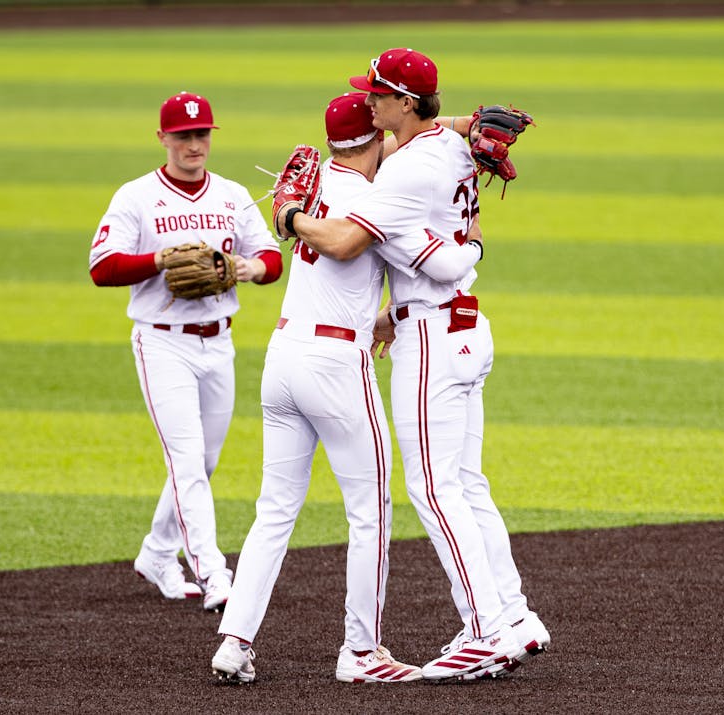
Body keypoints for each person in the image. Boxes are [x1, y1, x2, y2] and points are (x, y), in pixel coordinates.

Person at [273, 50, 550, 680]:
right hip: (463, 327)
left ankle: (483, 631)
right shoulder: (449, 149)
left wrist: (290, 216)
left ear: (402, 101)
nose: (369, 101)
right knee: (468, 485)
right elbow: (443, 140)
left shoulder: (403, 174)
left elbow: (343, 242)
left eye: (378, 93)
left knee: (432, 487)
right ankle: (515, 617)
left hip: (431, 340)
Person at [210, 93, 485, 684]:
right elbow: (437, 264)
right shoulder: (380, 200)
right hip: (336, 364)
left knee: (274, 510)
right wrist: (473, 243)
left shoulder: (318, 185)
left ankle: (234, 642)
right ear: (375, 138)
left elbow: (393, 141)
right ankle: (361, 651)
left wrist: (290, 216)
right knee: (371, 510)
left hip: (282, 358)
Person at [88, 91, 283, 611]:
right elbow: (102, 268)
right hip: (161, 343)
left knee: (204, 460)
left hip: (219, 342)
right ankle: (214, 573)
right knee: (187, 462)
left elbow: (270, 256)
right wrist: (158, 259)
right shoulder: (136, 197)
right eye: (183, 136)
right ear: (163, 139)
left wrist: (250, 268)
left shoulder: (232, 195)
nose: (194, 144)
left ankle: (156, 552)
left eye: (202, 134)